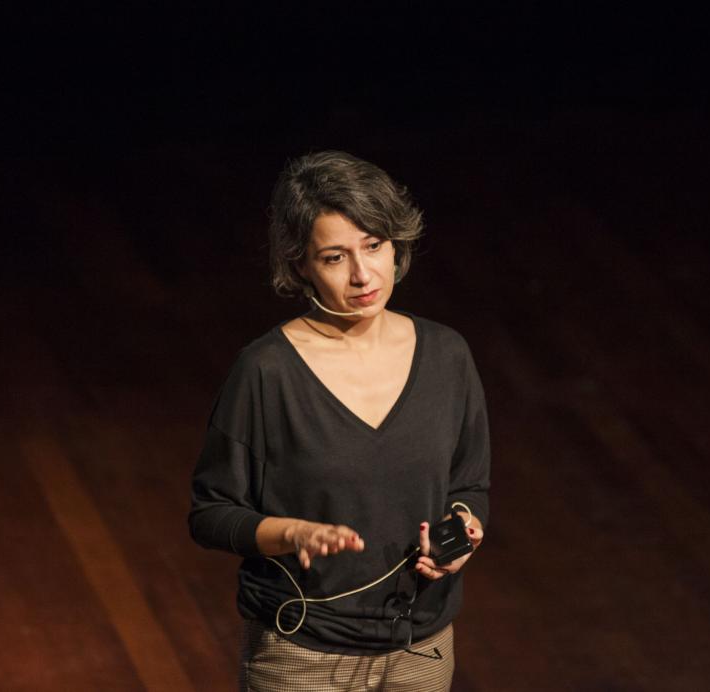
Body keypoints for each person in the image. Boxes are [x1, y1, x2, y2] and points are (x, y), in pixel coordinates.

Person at [188, 150, 490, 692]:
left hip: (420, 649)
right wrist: (291, 532)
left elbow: (468, 485)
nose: (362, 274)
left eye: (374, 246)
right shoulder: (266, 371)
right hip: (301, 655)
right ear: (300, 265)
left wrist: (462, 532)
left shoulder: (448, 355)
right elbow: (211, 514)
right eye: (334, 257)